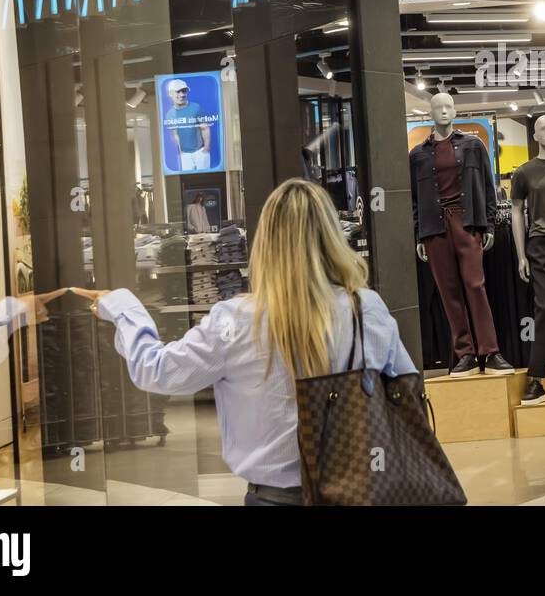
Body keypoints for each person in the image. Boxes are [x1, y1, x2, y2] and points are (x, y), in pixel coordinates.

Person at [79, 179, 415, 506]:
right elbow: (407, 392)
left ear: (265, 243)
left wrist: (124, 309)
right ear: (332, 238)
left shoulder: (237, 320)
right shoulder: (366, 308)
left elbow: (156, 371)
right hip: (362, 491)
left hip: (273, 496)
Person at [166, 78, 211, 171]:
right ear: (170, 94)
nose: (182, 95)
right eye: (178, 92)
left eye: (184, 91)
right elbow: (175, 134)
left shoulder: (196, 107)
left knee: (205, 178)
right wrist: (181, 151)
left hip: (200, 151)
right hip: (185, 155)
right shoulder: (170, 114)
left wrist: (206, 148)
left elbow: (205, 128)